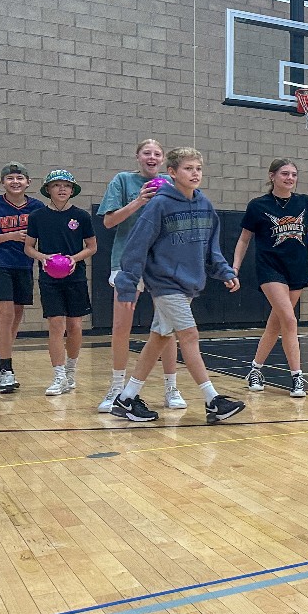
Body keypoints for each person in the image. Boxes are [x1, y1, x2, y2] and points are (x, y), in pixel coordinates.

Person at [110, 147, 244, 424]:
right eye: (188, 168)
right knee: (190, 336)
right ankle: (212, 400)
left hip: (190, 285)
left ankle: (126, 399)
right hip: (165, 284)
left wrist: (224, 270)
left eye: (198, 169)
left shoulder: (205, 205)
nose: (195, 173)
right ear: (171, 173)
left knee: (159, 338)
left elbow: (211, 248)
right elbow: (136, 247)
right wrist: (127, 284)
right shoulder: (159, 204)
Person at [233, 159, 308, 399]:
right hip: (270, 269)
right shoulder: (258, 205)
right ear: (272, 176)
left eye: (293, 174)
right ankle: (297, 376)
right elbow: (244, 239)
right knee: (289, 319)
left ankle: (255, 370)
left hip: (296, 269)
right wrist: (234, 268)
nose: (289, 178)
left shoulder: (304, 202)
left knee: (275, 323)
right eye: (285, 173)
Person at [98, 139, 186, 413]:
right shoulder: (123, 181)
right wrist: (139, 201)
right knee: (121, 326)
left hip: (164, 263)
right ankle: (117, 387)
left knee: (167, 328)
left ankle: (171, 387)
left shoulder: (173, 184)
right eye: (146, 153)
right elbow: (109, 221)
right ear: (138, 157)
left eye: (157, 154)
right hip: (128, 260)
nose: (152, 157)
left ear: (163, 160)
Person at [24, 170, 96, 396]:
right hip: (49, 279)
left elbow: (92, 247)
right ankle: (58, 375)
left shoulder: (82, 216)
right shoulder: (37, 216)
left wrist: (74, 259)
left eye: (66, 185)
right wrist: (43, 257)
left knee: (74, 326)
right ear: (48, 190)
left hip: (75, 278)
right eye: (56, 185)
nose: (62, 189)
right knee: (56, 325)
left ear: (72, 190)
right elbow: (28, 248)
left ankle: (71, 372)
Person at [0, 163, 45, 394]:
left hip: (24, 265)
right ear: (2, 182)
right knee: (5, 314)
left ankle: (0, 360)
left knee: (16, 315)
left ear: (28, 182)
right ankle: (7, 369)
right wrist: (10, 235)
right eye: (10, 178)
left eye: (20, 178)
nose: (15, 182)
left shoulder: (37, 207)